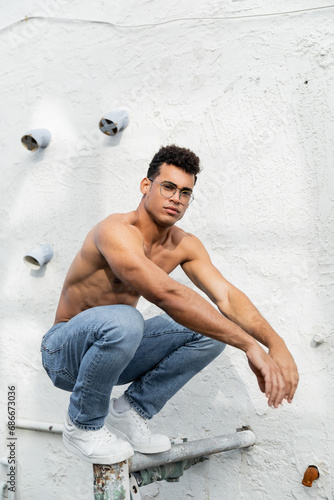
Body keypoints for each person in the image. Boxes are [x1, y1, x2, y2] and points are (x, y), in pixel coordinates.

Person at [41, 145, 299, 464]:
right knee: (126, 318)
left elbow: (226, 296)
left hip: (115, 354)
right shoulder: (115, 231)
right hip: (64, 353)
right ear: (146, 186)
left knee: (210, 332)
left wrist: (276, 344)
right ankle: (82, 425)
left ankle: (129, 410)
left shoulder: (183, 245)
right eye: (168, 187)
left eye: (185, 192)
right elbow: (166, 294)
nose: (176, 198)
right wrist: (249, 346)